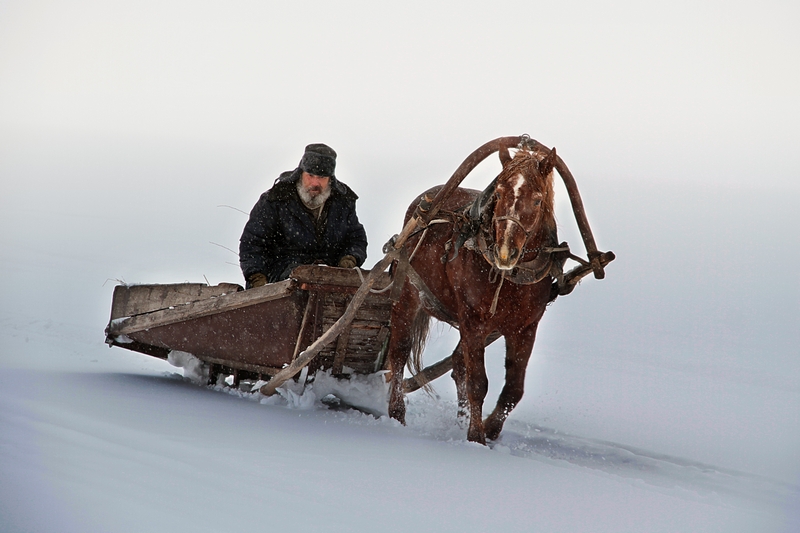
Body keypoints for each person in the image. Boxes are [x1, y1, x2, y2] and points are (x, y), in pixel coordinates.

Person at [239, 143, 368, 288]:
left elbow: (356, 239)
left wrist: (350, 258)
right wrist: (257, 277)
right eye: (310, 175)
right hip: (281, 280)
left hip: (330, 281)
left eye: (321, 177)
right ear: (301, 173)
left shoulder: (343, 203)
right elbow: (252, 243)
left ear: (330, 178)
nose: (315, 183)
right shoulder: (276, 199)